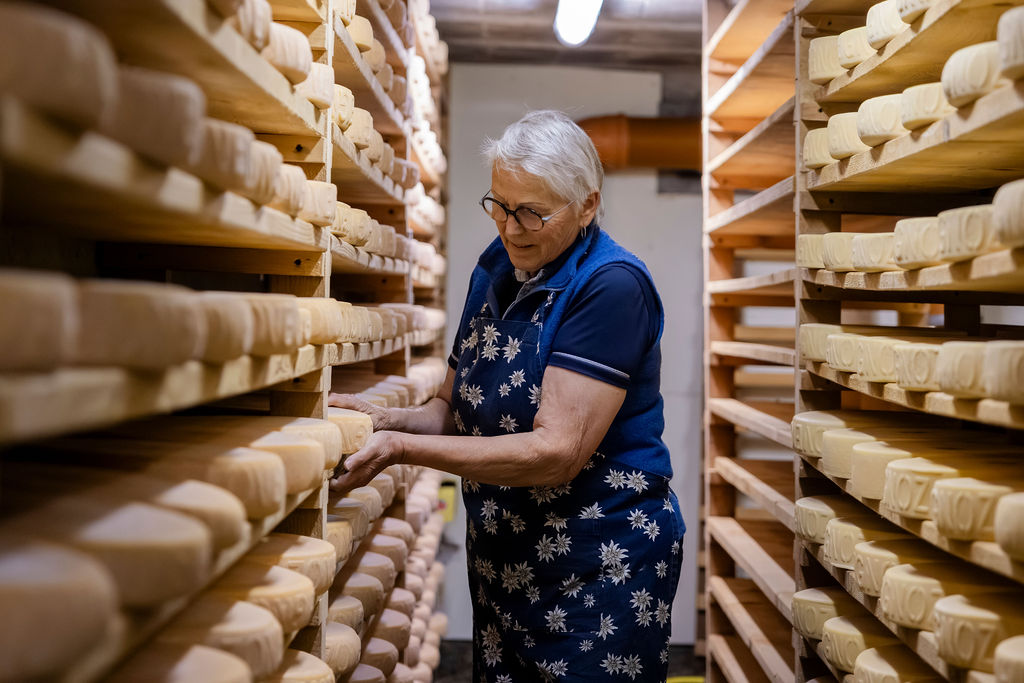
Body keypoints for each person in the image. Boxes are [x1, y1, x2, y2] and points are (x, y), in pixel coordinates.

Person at [329, 109, 685, 682]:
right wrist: (385, 419)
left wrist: (400, 450)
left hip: (598, 568)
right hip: (508, 564)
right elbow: (450, 409)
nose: (510, 228)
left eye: (532, 213)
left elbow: (556, 453)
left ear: (588, 206)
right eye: (499, 204)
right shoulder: (496, 267)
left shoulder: (611, 286)